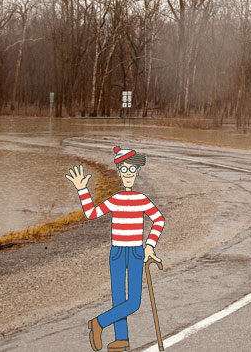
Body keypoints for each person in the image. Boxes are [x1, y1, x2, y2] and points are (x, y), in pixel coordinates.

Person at [66, 146, 165, 352]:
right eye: (124, 170)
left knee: (134, 302)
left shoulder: (142, 200)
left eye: (132, 170)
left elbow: (159, 220)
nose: (128, 174)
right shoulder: (115, 200)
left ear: (137, 173)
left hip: (136, 252)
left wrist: (149, 246)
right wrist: (82, 189)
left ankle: (99, 323)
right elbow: (92, 214)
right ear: (119, 172)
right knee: (119, 297)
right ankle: (121, 339)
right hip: (118, 252)